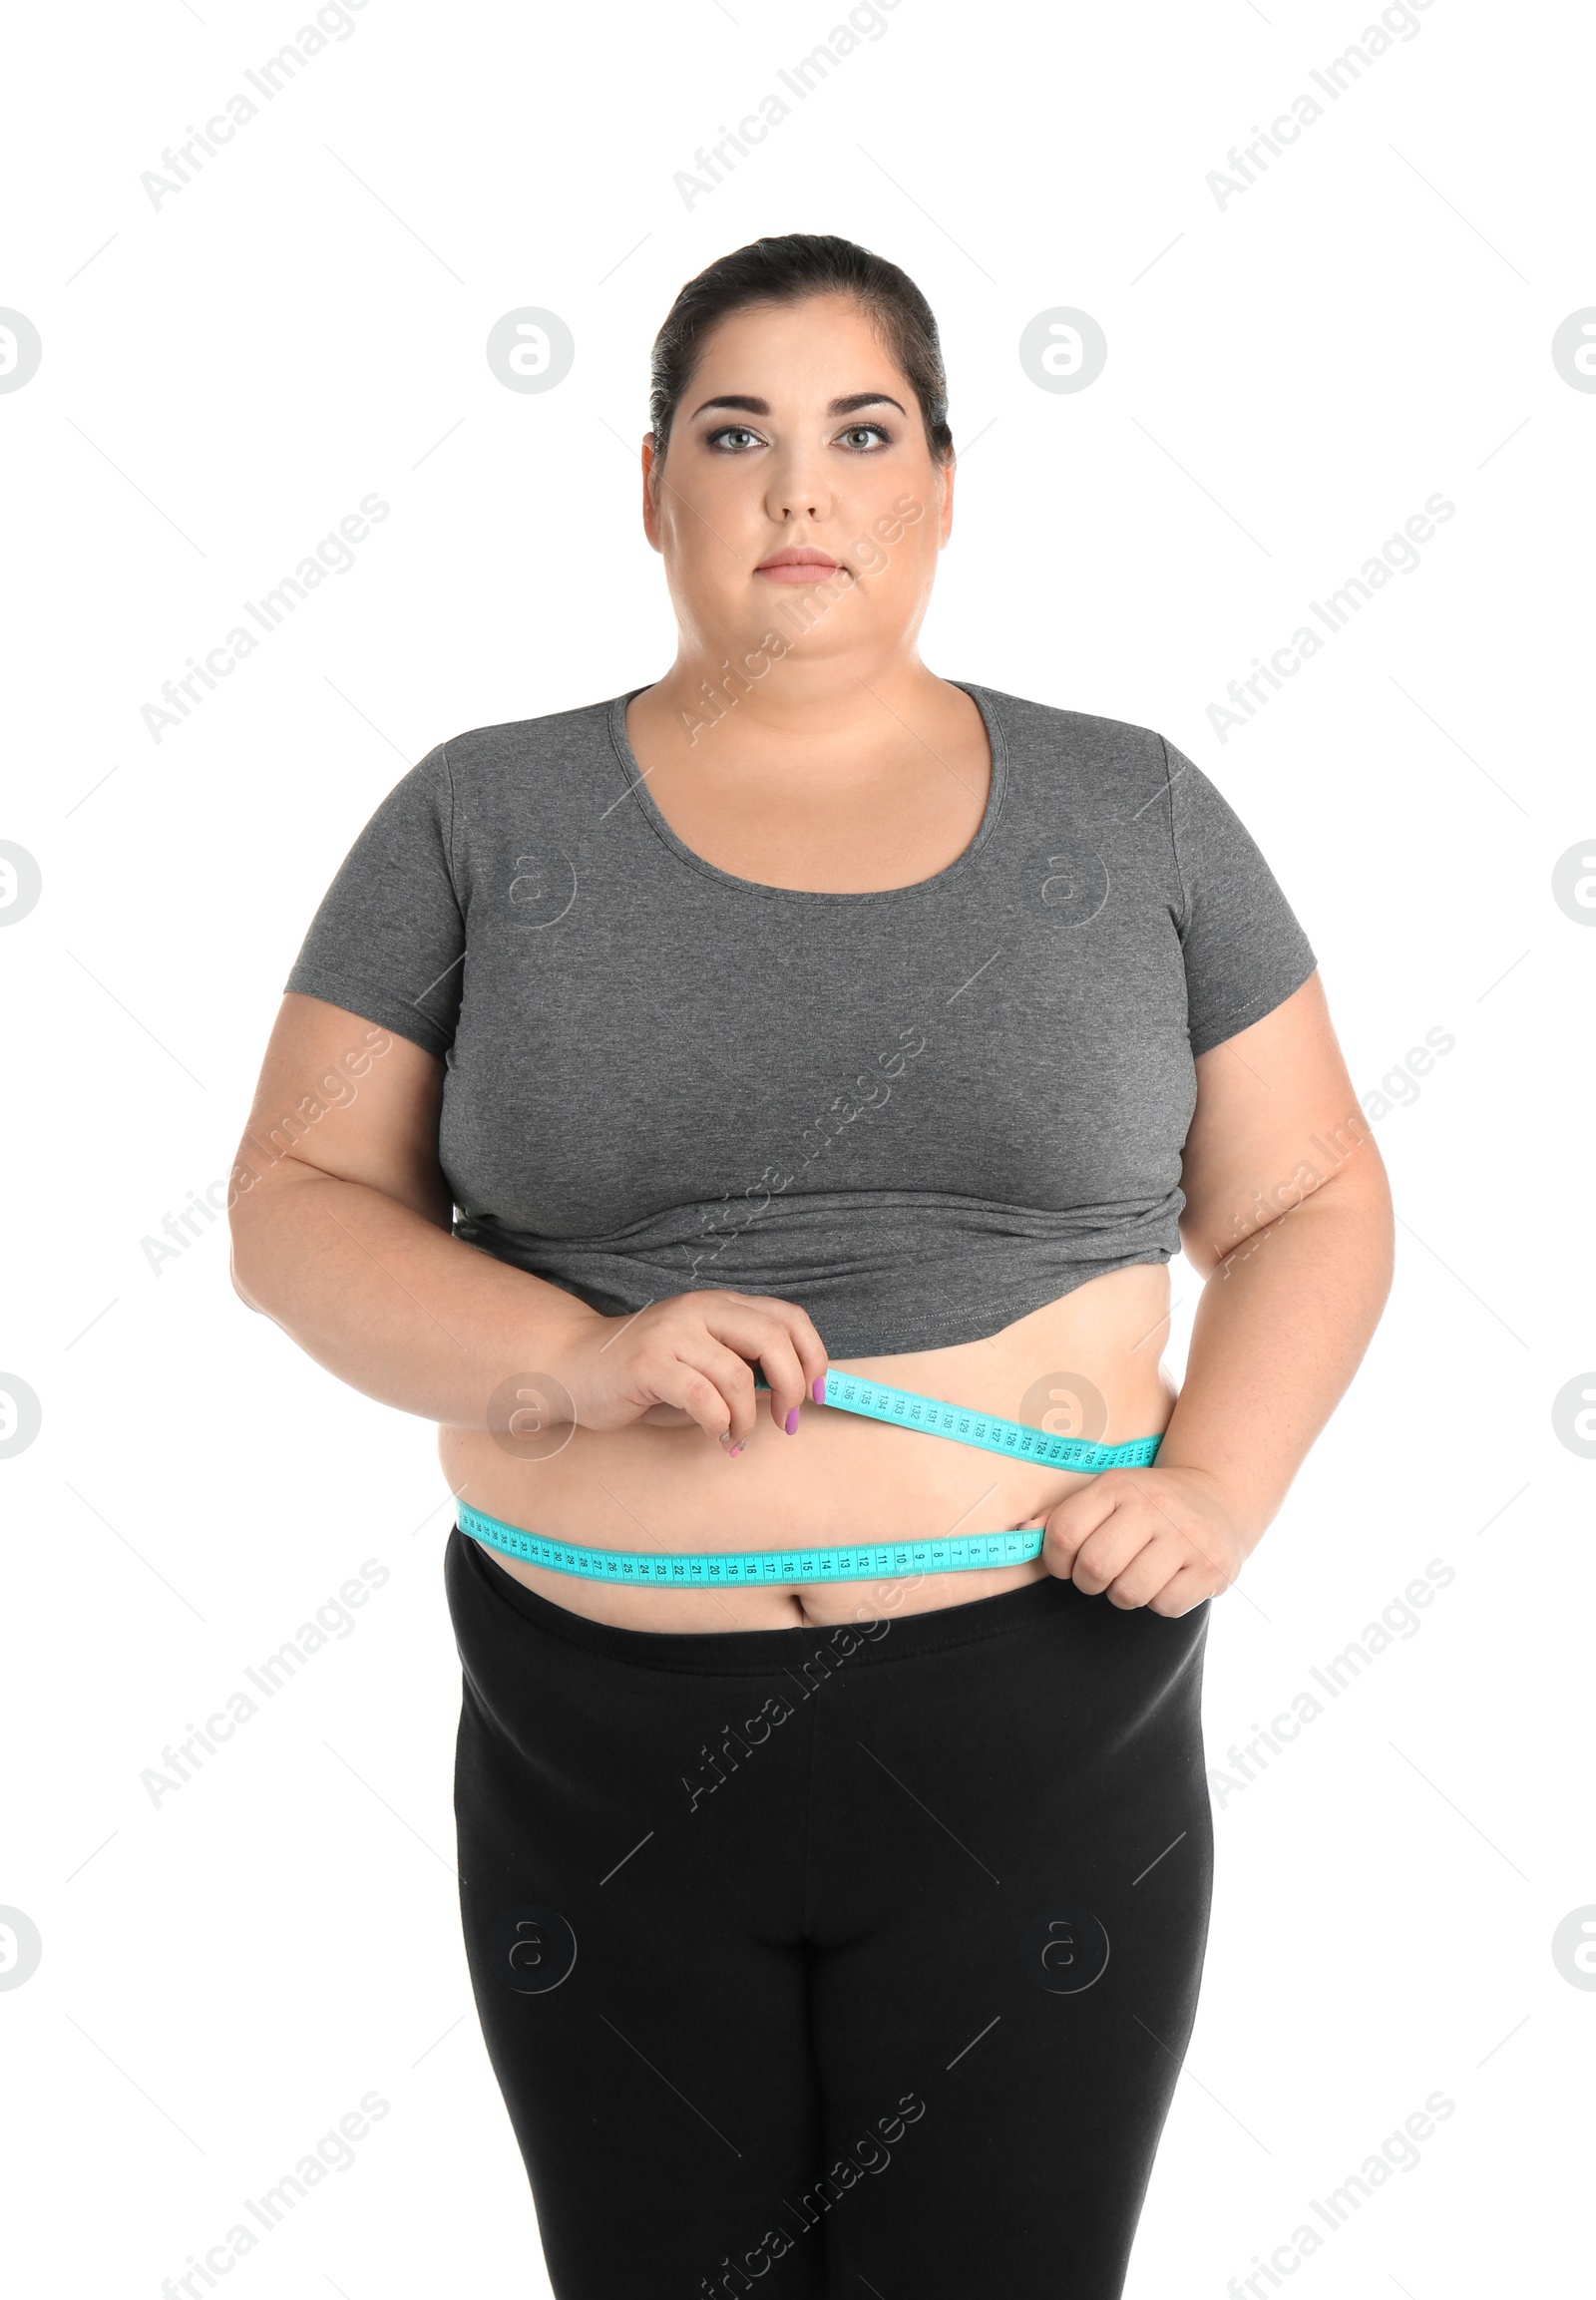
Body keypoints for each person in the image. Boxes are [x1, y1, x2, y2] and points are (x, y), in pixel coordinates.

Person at [227, 232, 1394, 2299]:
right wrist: (571, 1358)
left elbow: (1307, 1199)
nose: (794, 490)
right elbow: (292, 1213)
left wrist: (1216, 1484)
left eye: (858, 432)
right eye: (731, 433)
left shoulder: (1132, 813)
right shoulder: (477, 818)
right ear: (651, 486)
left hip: (1036, 1745)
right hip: (599, 1763)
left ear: (940, 484)